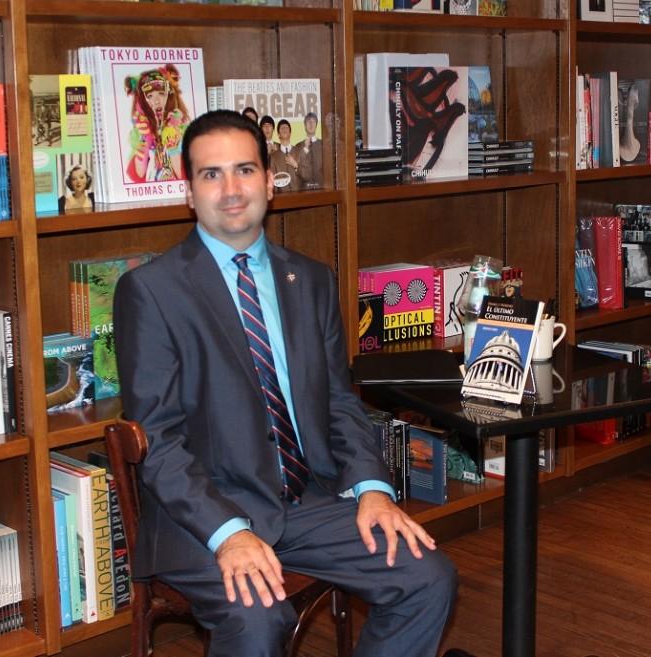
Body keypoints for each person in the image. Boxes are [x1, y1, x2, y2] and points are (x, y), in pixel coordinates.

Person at [113, 110, 457, 657]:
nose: (231, 190)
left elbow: (339, 402)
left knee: (427, 577)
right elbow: (158, 441)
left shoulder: (311, 279)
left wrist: (372, 489)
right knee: (258, 618)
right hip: (202, 513)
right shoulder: (150, 292)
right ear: (188, 192)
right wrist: (229, 532)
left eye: (245, 170)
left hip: (307, 501)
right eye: (211, 174)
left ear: (270, 180)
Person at [125, 64, 191, 182]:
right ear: (143, 102)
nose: (156, 101)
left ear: (169, 96)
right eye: (150, 96)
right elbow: (139, 176)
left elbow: (183, 176)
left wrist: (172, 138)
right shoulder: (139, 133)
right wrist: (146, 138)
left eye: (161, 93)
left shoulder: (183, 130)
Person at [268, 118, 301, 190]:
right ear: (278, 134)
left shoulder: (299, 151)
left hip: (299, 195)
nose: (284, 129)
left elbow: (307, 175)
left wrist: (296, 166)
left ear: (290, 133)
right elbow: (273, 181)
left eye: (286, 127)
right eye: (282, 128)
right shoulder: (274, 156)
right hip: (282, 197)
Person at [293, 111, 323, 187]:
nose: (311, 124)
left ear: (316, 125)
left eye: (313, 121)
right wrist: (305, 149)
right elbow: (296, 165)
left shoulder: (323, 145)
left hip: (322, 188)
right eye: (308, 121)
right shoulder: (298, 146)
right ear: (305, 125)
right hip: (304, 189)